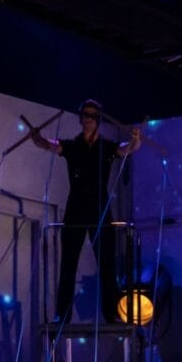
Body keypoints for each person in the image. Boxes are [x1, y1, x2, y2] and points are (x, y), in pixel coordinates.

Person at [30, 100, 142, 324]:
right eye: (85, 115)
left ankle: (111, 314)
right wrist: (37, 137)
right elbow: (47, 145)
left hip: (100, 210)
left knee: (107, 264)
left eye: (92, 115)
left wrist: (136, 139)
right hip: (76, 209)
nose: (88, 119)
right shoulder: (72, 146)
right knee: (68, 263)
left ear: (98, 119)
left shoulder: (107, 148)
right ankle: (63, 315)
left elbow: (128, 149)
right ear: (81, 118)